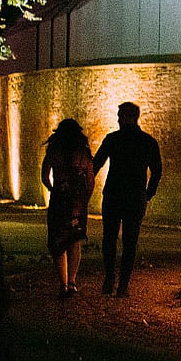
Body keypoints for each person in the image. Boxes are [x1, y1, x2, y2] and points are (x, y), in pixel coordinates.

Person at [91, 101, 163, 297]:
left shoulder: (113, 139)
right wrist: (148, 193)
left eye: (119, 115)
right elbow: (157, 171)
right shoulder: (148, 141)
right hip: (135, 196)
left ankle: (109, 279)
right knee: (130, 242)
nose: (117, 118)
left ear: (127, 117)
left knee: (109, 238)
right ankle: (123, 285)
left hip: (114, 193)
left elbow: (95, 165)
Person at [40, 119, 94, 298]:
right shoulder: (83, 153)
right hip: (78, 203)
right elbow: (91, 180)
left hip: (59, 201)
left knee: (59, 241)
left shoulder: (54, 152)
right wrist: (85, 198)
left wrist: (52, 188)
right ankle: (72, 282)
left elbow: (44, 175)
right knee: (74, 240)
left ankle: (62, 284)